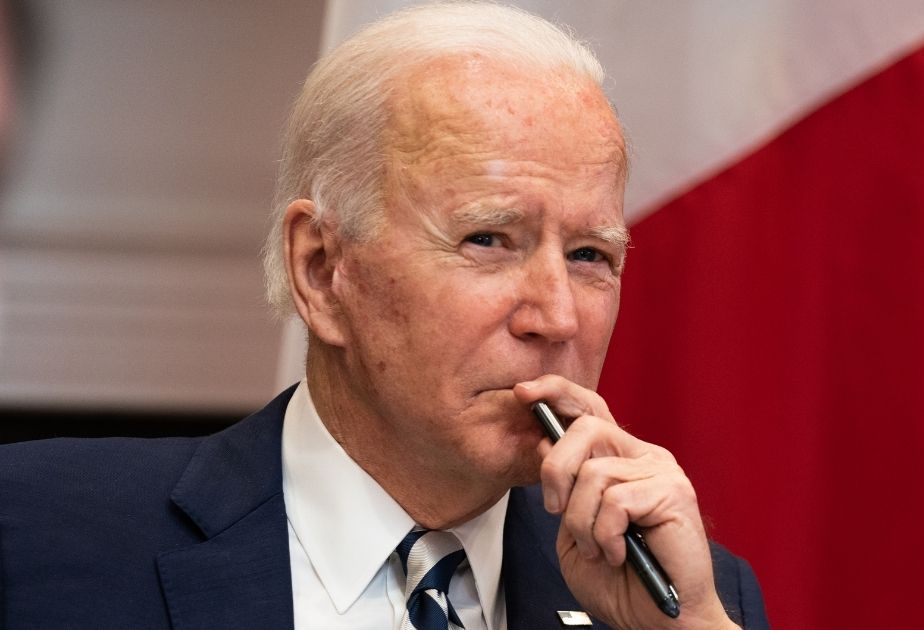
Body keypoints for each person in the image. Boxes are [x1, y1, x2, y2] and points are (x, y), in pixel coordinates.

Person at [0, 3, 769, 629]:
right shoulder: (34, 533)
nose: (558, 317)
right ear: (323, 270)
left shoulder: (682, 596)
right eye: (489, 240)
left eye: (590, 256)